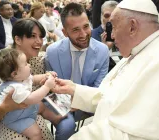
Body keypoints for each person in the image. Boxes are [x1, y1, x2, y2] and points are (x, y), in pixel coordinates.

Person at [52, 0, 159, 139]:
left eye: (113, 27)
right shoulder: (137, 53)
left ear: (132, 27)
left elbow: (138, 133)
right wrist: (74, 90)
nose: (112, 36)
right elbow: (114, 100)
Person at [0, 19, 54, 140]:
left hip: (28, 111)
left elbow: (37, 88)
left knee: (41, 131)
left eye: (41, 37)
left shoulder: (38, 58)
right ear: (17, 39)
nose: (39, 42)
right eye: (33, 36)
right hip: (0, 116)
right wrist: (6, 107)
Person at [45, 2, 109, 140]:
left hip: (90, 103)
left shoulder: (102, 50)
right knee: (67, 127)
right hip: (61, 104)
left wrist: (81, 101)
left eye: (86, 26)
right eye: (75, 30)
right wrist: (69, 103)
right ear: (64, 32)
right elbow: (50, 88)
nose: (83, 34)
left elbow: (100, 88)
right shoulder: (52, 52)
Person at [0, 49, 62, 140]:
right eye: (25, 64)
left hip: (27, 108)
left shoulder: (22, 78)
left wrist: (46, 76)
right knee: (36, 132)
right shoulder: (14, 89)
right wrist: (47, 86)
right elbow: (32, 98)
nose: (29, 65)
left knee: (42, 106)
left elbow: (34, 79)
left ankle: (55, 118)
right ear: (15, 74)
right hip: (17, 118)